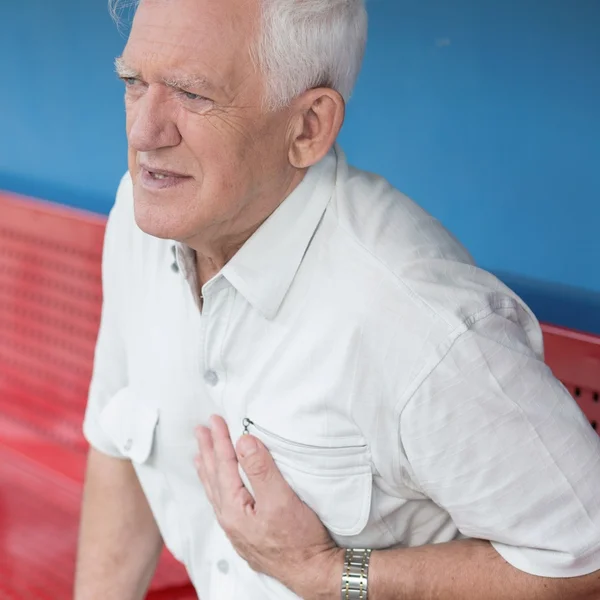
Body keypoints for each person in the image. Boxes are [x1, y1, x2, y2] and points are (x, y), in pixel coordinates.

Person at [75, 0, 600, 598]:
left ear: (308, 127)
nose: (144, 132)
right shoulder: (145, 217)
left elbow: (586, 559)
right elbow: (117, 441)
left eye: (193, 95)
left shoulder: (415, 319)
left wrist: (330, 575)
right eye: (133, 82)